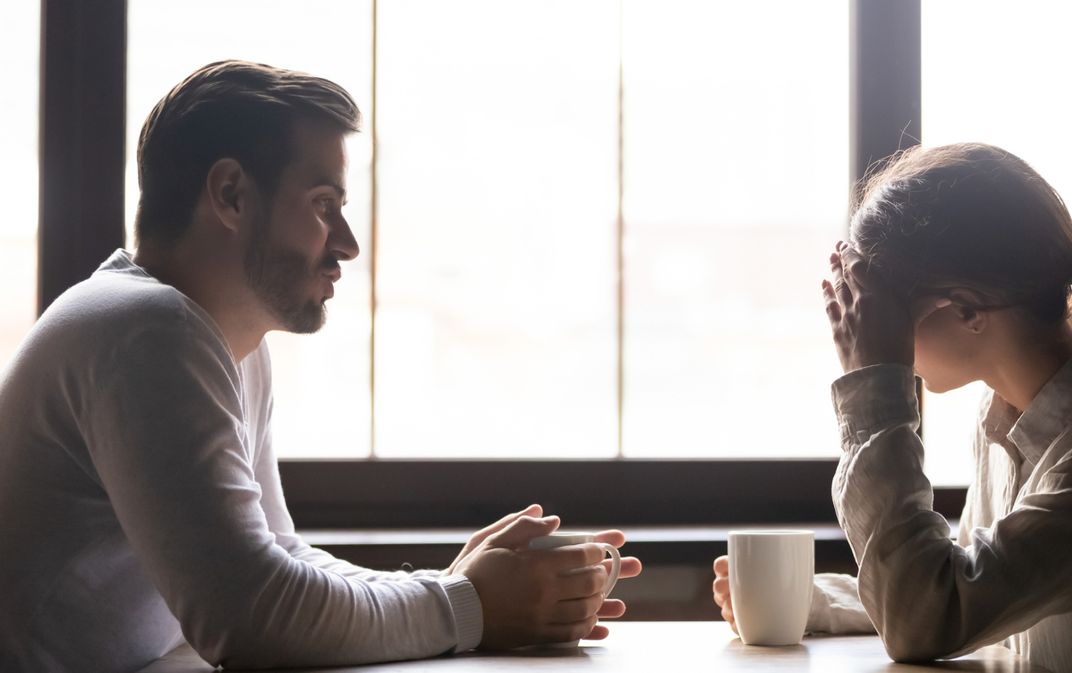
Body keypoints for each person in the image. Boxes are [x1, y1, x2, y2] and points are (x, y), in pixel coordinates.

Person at [0, 60, 640, 673]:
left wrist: (460, 589)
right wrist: (470, 606)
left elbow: (275, 557)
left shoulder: (220, 344)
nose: (347, 244)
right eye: (322, 204)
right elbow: (252, 615)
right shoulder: (145, 331)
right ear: (230, 195)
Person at [713, 143, 1072, 673]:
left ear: (967, 309)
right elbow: (969, 582)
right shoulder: (1005, 415)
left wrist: (872, 385)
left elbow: (929, 617)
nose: (862, 329)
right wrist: (808, 600)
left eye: (879, 311)